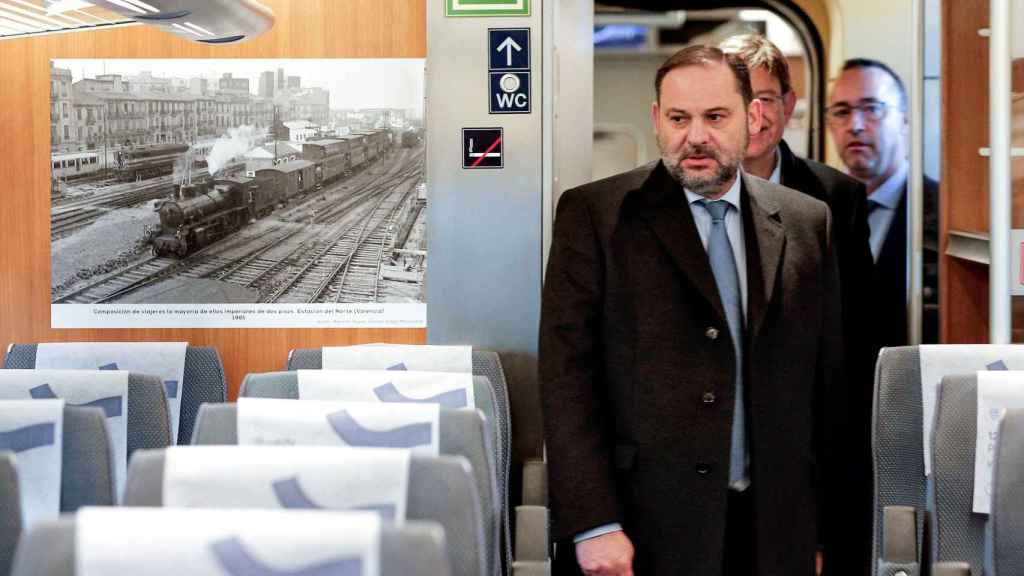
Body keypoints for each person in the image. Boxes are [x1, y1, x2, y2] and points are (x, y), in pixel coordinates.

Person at [539, 45, 847, 576]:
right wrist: (594, 523)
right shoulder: (596, 216)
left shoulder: (805, 223)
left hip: (773, 531)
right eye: (679, 118)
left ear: (751, 119)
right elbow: (567, 379)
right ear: (658, 120)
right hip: (640, 531)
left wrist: (822, 532)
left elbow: (825, 390)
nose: (696, 136)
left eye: (715, 117)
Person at [721, 35, 876, 574]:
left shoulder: (838, 200)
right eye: (741, 98)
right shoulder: (675, 195)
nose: (756, 115)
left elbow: (858, 353)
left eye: (768, 98)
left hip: (804, 454)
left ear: (789, 105)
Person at [827, 58, 940, 346]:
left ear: (904, 120)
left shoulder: (944, 214)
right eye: (842, 111)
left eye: (872, 108)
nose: (856, 125)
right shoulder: (818, 210)